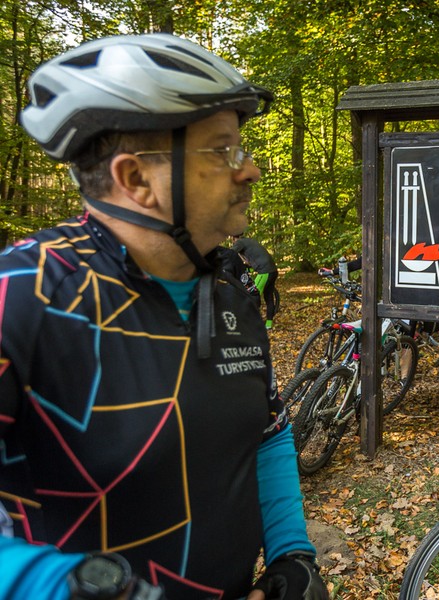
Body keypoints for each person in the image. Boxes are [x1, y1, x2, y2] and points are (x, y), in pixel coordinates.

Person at [0, 34, 327, 600]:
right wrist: (81, 588)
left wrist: (293, 557)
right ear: (135, 180)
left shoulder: (230, 289)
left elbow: (266, 434)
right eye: (224, 150)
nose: (249, 170)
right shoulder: (25, 294)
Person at [232, 233, 279, 329]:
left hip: (264, 272)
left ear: (233, 238)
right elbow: (254, 259)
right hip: (273, 271)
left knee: (252, 296)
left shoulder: (239, 242)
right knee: (269, 298)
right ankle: (268, 324)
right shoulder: (249, 241)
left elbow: (229, 254)